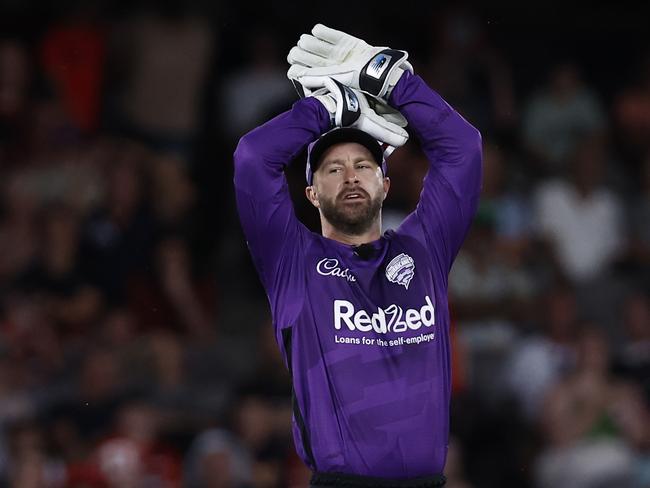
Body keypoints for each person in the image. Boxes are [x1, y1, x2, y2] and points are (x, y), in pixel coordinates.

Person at [233, 24, 482, 487]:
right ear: (311, 192)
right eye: (333, 168)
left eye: (364, 165)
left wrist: (390, 80)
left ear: (385, 185)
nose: (351, 176)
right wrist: (327, 109)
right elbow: (253, 158)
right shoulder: (292, 261)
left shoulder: (425, 247)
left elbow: (463, 149)